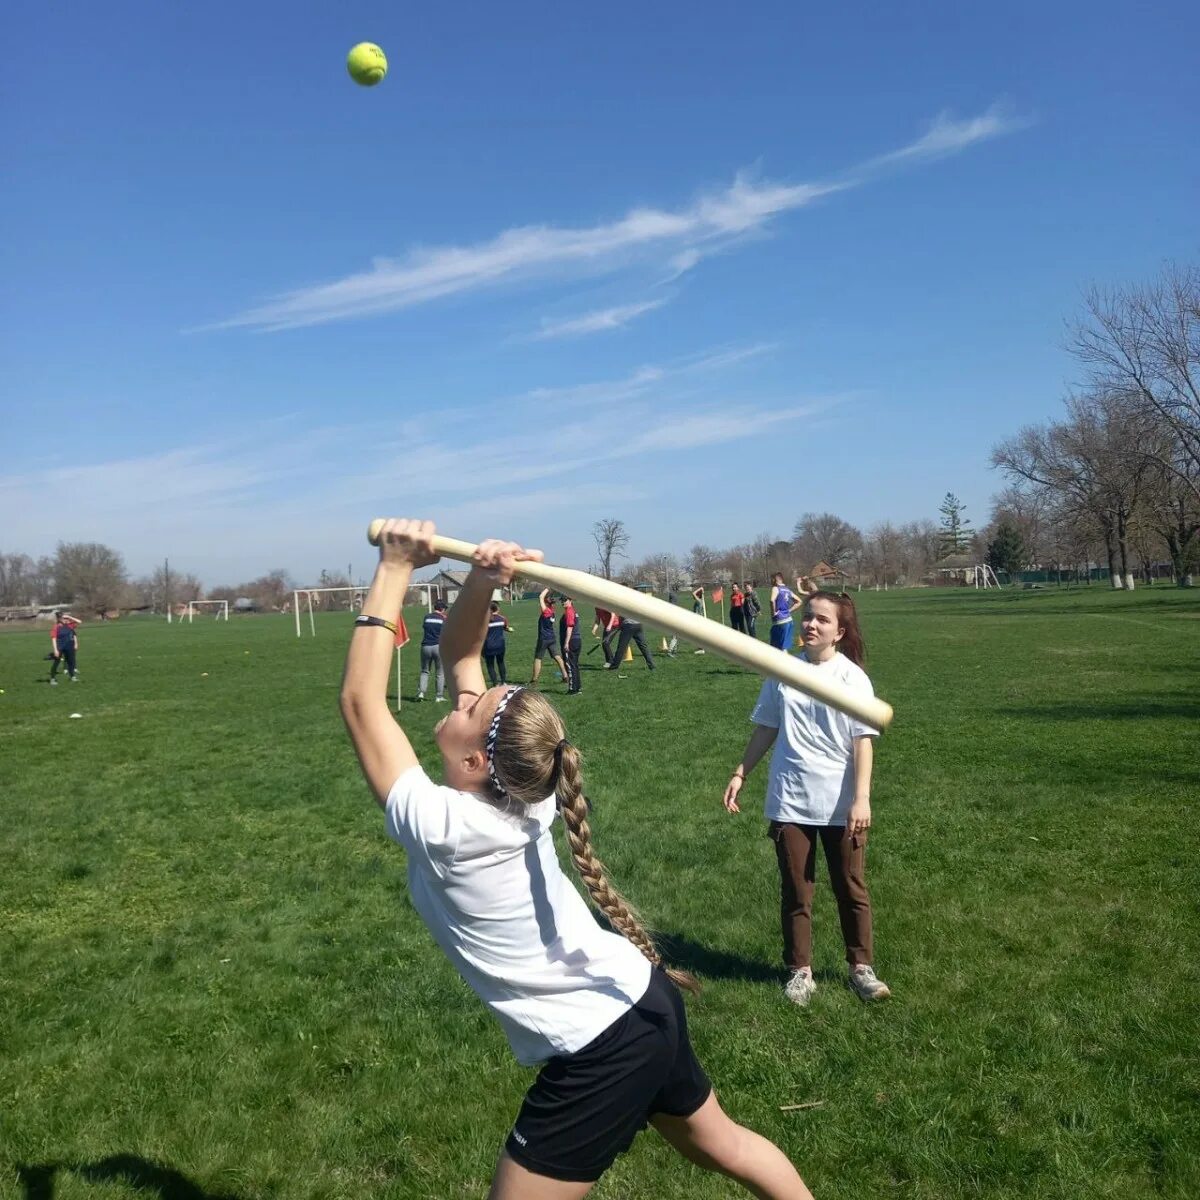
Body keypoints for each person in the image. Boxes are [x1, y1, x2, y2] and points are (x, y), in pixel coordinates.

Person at [340, 519, 815, 1198]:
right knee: (726, 1146)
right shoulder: (524, 791)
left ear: (475, 760)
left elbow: (361, 704)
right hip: (642, 1001)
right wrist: (483, 577)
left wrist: (392, 571)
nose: (463, 693)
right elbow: (463, 657)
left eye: (471, 705)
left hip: (600, 1048)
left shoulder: (448, 825)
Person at [723, 591, 888, 1008]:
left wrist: (861, 799)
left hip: (840, 802)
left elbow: (863, 742)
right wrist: (741, 772)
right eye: (808, 617)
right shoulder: (783, 671)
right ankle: (800, 971)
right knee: (797, 890)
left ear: (840, 632)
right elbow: (766, 727)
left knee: (850, 886)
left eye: (821, 620)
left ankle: (861, 968)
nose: (810, 625)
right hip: (790, 799)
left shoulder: (853, 679)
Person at [531, 589, 568, 686]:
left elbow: (540, 597)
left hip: (544, 638)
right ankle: (565, 676)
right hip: (552, 638)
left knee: (538, 658)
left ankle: (534, 680)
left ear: (546, 602)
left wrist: (548, 587)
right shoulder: (552, 611)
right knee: (557, 657)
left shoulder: (546, 611)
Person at [768, 573, 811, 652]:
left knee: (775, 649)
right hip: (789, 621)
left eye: (772, 579)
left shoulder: (775, 588)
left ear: (776, 580)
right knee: (783, 648)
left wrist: (773, 613)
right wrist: (789, 611)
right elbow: (799, 601)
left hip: (779, 622)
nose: (771, 581)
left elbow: (772, 600)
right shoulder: (788, 590)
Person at [418, 600, 448, 702]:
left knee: (425, 671)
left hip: (425, 646)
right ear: (442, 609)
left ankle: (421, 692)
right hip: (438, 646)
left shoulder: (427, 617)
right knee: (440, 673)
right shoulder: (444, 618)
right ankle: (439, 696)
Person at [48, 611, 81, 684]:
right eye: (63, 618)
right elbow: (53, 639)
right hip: (60, 647)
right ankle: (52, 679)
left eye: (65, 618)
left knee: (71, 662)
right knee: (56, 663)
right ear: (59, 619)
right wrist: (55, 650)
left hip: (69, 647)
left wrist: (69, 617)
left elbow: (79, 622)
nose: (65, 619)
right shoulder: (56, 627)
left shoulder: (69, 625)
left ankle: (72, 677)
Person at [484, 602, 511, 686]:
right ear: (498, 609)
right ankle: (503, 682)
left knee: (490, 665)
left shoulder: (485, 620)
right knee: (501, 663)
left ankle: (495, 683)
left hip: (489, 645)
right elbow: (506, 627)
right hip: (500, 645)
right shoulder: (503, 618)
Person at [559, 596, 583, 694]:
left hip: (571, 641)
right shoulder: (573, 610)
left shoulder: (569, 611)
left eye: (565, 600)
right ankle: (578, 686)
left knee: (569, 665)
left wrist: (566, 643)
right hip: (577, 640)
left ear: (570, 600)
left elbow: (569, 627)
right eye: (562, 601)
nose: (563, 602)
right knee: (575, 665)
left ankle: (573, 689)